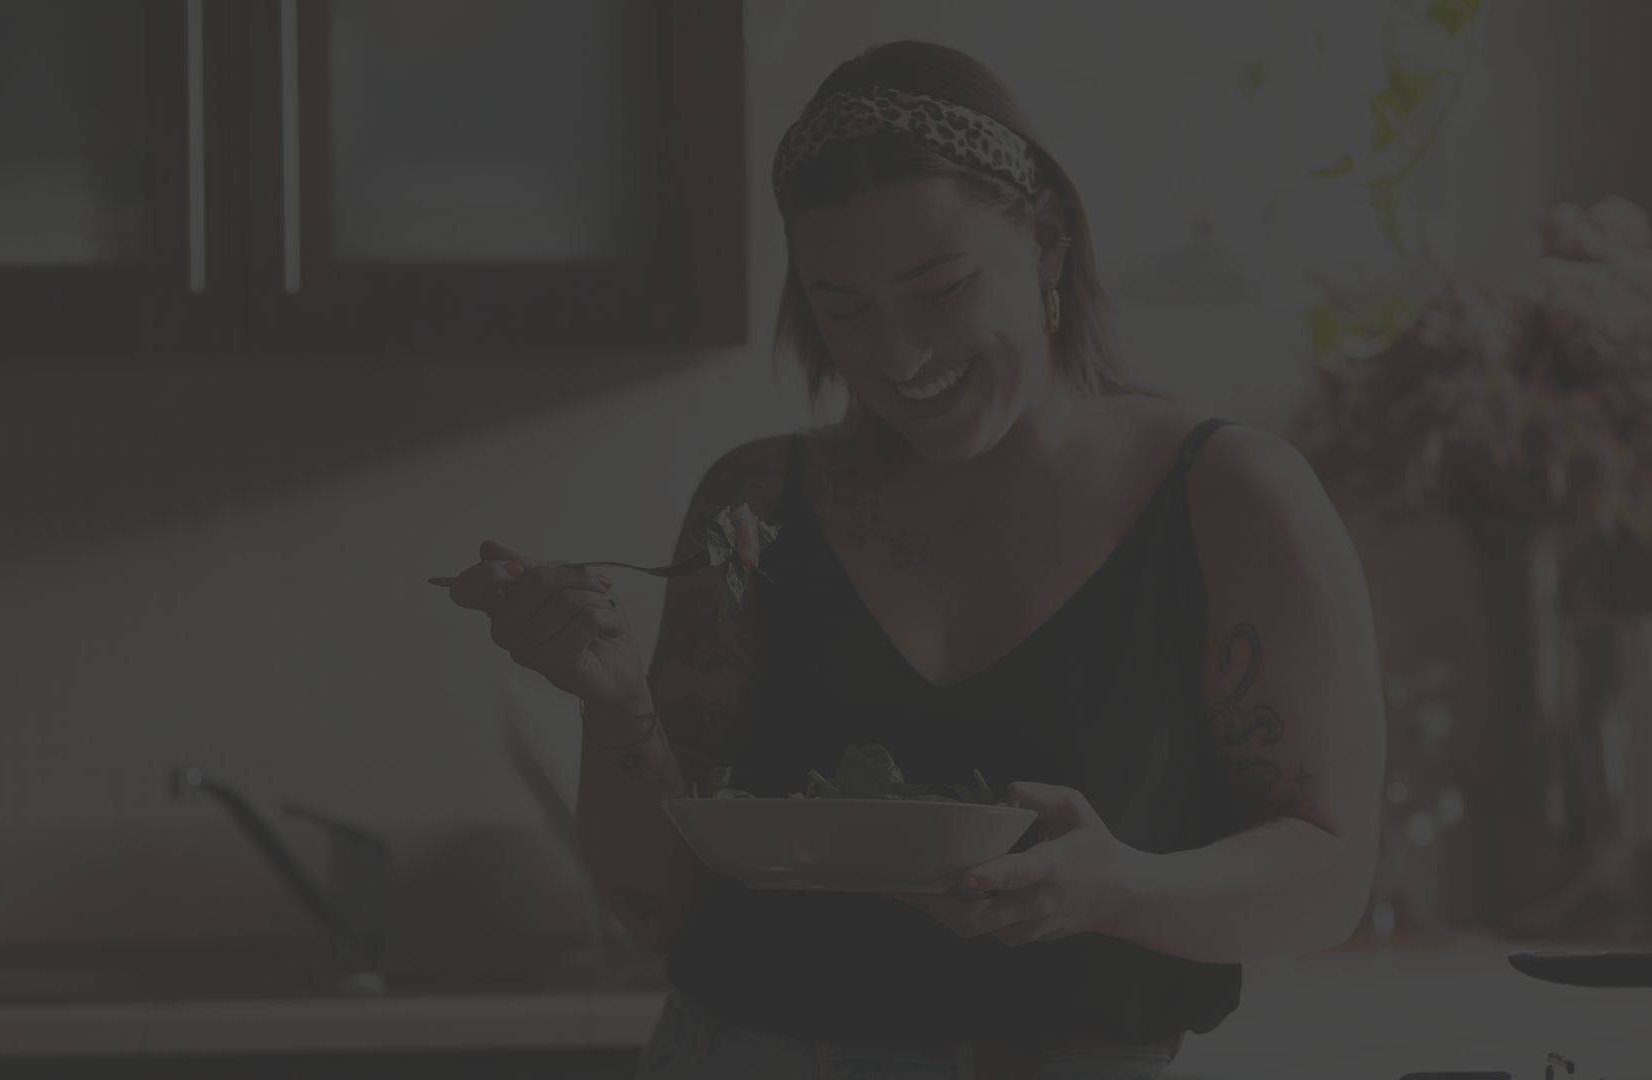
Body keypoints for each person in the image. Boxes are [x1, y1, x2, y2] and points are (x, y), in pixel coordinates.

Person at [446, 40, 1385, 1080]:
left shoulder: (1229, 497)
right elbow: (658, 904)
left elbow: (1329, 874)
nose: (899, 357)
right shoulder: (758, 504)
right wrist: (614, 702)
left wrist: (1111, 889)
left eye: (937, 287)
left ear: (1048, 239)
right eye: (843, 309)